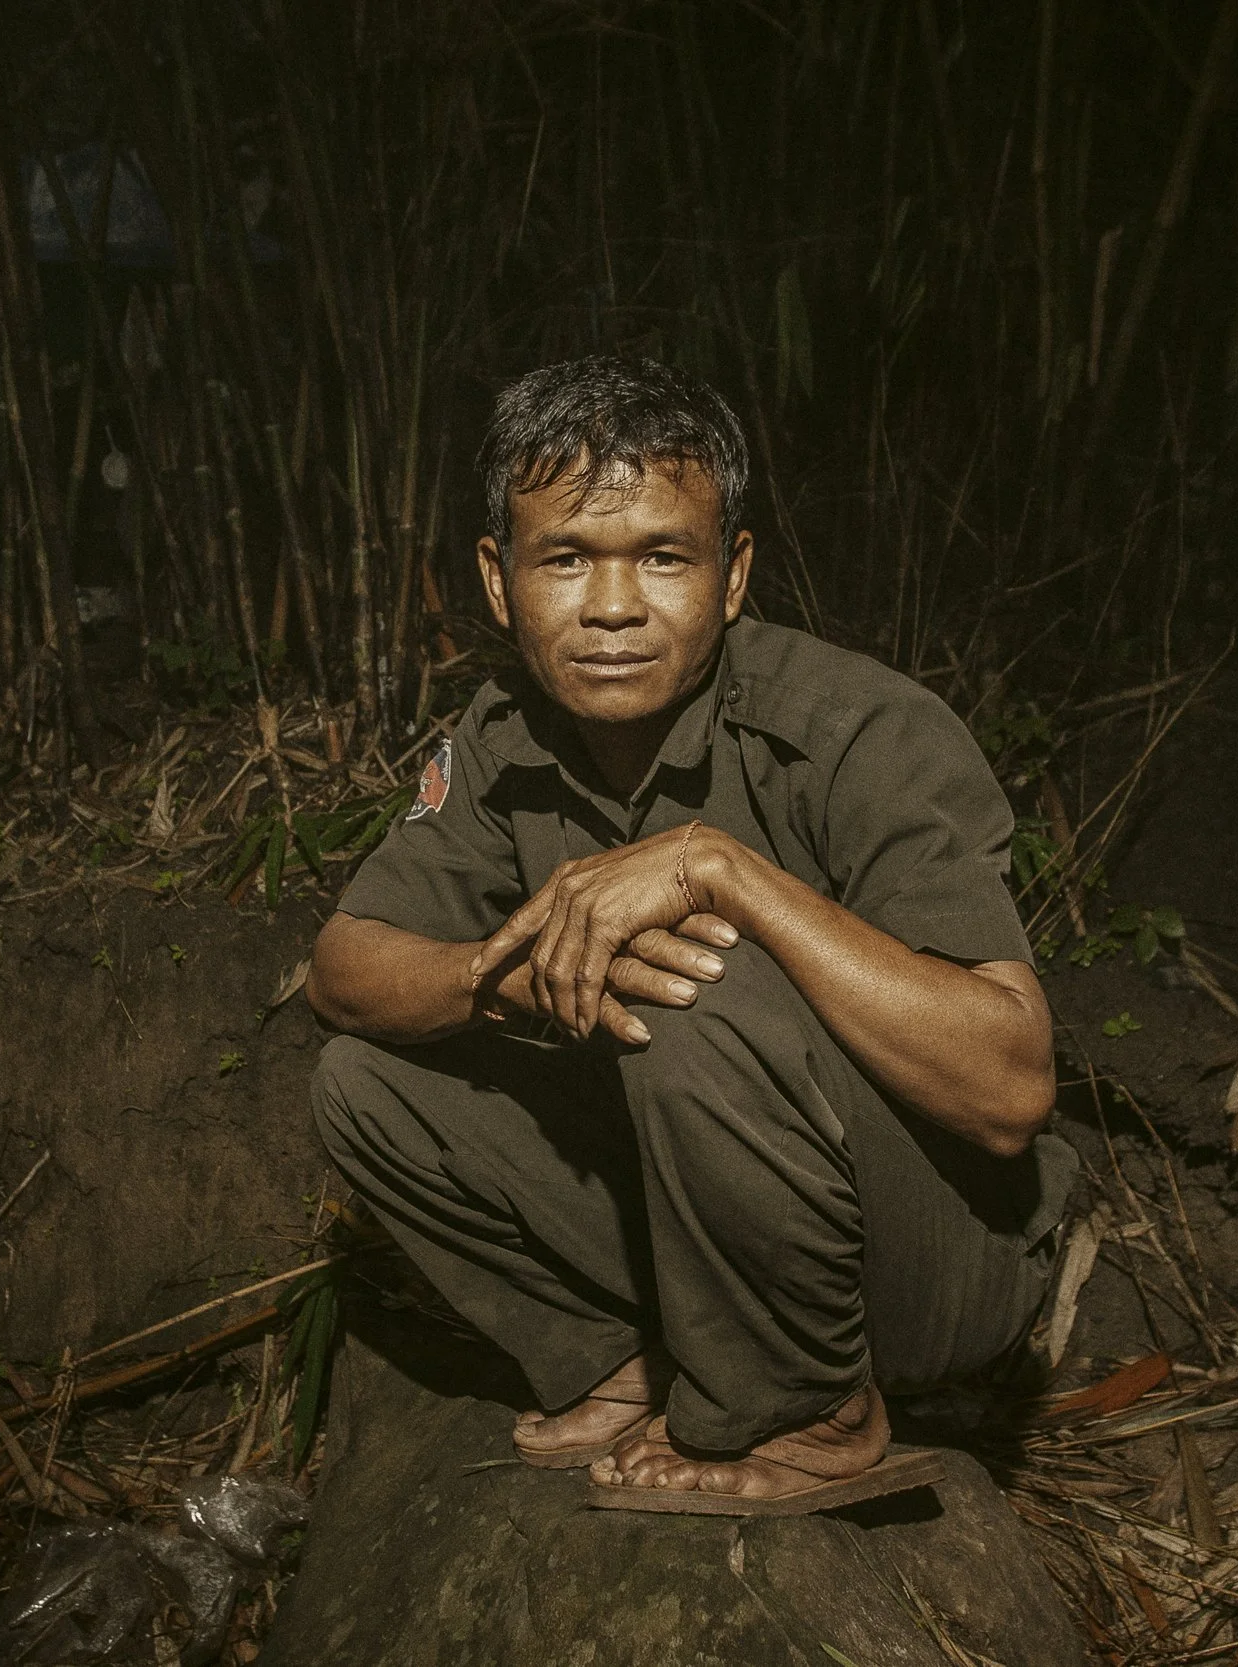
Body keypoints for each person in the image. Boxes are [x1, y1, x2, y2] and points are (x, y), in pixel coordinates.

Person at [305, 356, 1075, 1516]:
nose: (613, 607)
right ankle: (617, 1353)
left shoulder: (859, 730)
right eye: (565, 557)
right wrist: (496, 979)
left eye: (663, 556)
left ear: (732, 574)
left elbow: (1011, 1085)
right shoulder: (501, 741)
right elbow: (342, 971)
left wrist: (727, 872)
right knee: (364, 1080)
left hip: (932, 1264)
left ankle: (803, 1407)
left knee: (693, 975)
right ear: (497, 579)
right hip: (705, 1236)